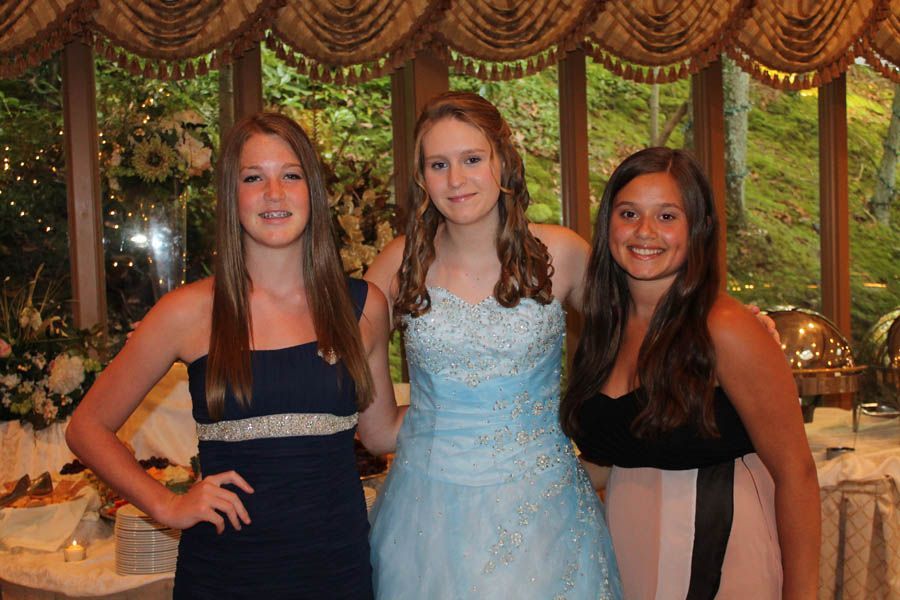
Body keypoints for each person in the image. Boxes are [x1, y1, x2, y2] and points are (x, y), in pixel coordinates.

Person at [66, 113, 404, 599]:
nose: (274, 193)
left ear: (313, 190)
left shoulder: (364, 306)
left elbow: (379, 432)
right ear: (231, 195)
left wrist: (478, 397)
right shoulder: (187, 311)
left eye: (291, 175)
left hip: (337, 568)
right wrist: (165, 504)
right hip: (225, 574)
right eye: (253, 178)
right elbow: (86, 428)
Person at [364, 91, 623, 598]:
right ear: (421, 177)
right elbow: (348, 371)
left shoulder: (562, 253)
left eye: (472, 159)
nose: (455, 180)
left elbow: (639, 332)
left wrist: (726, 326)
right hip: (424, 522)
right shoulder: (400, 262)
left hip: (545, 518)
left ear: (502, 160)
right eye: (439, 164)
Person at [561, 147, 820, 599]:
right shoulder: (605, 328)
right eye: (629, 213)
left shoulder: (725, 327)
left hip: (721, 553)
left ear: (697, 227)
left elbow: (796, 472)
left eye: (667, 216)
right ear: (608, 225)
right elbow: (617, 457)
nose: (644, 231)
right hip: (628, 555)